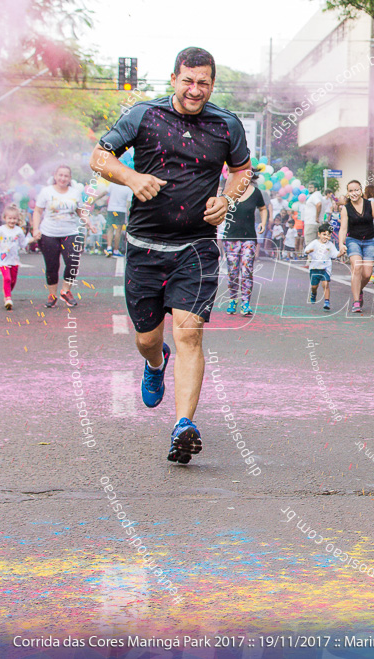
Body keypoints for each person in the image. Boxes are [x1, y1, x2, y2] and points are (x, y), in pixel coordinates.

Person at [90, 46, 252, 465]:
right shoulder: (143, 115)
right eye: (188, 81)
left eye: (203, 83)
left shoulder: (226, 124)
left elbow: (242, 171)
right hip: (145, 247)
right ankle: (154, 360)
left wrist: (226, 199)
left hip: (196, 248)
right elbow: (100, 156)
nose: (195, 90)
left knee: (189, 333)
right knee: (148, 338)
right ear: (174, 79)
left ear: (213, 84)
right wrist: (129, 176)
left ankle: (183, 425)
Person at [33, 165, 97, 308]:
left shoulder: (74, 193)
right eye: (60, 175)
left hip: (70, 232)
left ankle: (65, 291)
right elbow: (37, 211)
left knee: (73, 262)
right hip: (49, 234)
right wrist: (35, 229)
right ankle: (52, 295)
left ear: (70, 178)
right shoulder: (46, 192)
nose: (63, 178)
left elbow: (81, 211)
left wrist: (89, 223)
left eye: (66, 176)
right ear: (55, 176)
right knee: (52, 266)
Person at [338, 179, 374, 314]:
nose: (354, 193)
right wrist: (341, 244)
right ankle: (356, 301)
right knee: (357, 267)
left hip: (370, 241)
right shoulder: (346, 209)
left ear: (361, 191)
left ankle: (359, 289)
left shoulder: (370, 205)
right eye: (351, 191)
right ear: (348, 193)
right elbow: (343, 228)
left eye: (356, 190)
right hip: (353, 240)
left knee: (367, 274)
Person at [221, 172, 268, 316]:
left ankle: (246, 303)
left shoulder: (256, 193)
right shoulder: (228, 192)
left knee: (247, 270)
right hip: (231, 238)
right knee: (233, 272)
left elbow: (263, 208)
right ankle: (233, 299)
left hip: (249, 238)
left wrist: (263, 223)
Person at [0, 206, 27, 309]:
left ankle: (7, 293)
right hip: (2, 260)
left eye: (14, 218)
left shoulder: (18, 231)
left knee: (13, 280)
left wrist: (33, 239)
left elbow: (23, 244)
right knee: (7, 278)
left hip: (13, 260)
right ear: (4, 218)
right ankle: (8, 297)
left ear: (18, 219)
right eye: (9, 218)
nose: (12, 221)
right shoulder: (0, 230)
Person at [305, 232, 340, 309]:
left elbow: (335, 254)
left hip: (325, 269)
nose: (326, 237)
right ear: (319, 234)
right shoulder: (314, 243)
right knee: (314, 287)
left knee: (326, 284)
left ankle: (326, 302)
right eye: (324, 234)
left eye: (328, 235)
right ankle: (313, 293)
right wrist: (308, 251)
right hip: (314, 269)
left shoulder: (330, 245)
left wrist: (341, 253)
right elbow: (306, 250)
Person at [104, 181, 132, 256]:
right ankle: (116, 250)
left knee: (110, 228)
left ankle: (109, 248)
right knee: (118, 231)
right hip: (121, 210)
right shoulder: (128, 188)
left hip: (111, 209)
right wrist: (128, 215)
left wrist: (94, 200)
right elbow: (128, 204)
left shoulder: (113, 184)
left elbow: (105, 192)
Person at [304, 182, 325, 246]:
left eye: (311, 187)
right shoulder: (319, 195)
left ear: (316, 189)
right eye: (309, 187)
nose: (309, 189)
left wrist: (316, 217)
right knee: (317, 245)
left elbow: (319, 204)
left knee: (310, 245)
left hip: (311, 223)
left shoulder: (315, 195)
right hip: (315, 223)